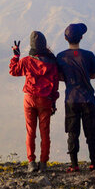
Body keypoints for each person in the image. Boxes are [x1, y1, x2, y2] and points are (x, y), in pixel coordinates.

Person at [9, 31, 60, 173]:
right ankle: (43, 163)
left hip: (29, 98)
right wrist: (53, 103)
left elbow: (13, 71)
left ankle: (31, 162)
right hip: (45, 101)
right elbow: (55, 86)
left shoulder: (26, 61)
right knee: (45, 132)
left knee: (30, 131)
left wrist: (16, 56)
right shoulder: (52, 63)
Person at [56, 23, 95, 172]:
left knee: (72, 132)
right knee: (91, 132)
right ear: (81, 37)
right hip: (88, 99)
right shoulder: (89, 55)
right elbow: (93, 75)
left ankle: (74, 164)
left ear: (65, 38)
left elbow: (59, 76)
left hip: (71, 99)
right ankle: (93, 163)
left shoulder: (61, 56)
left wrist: (70, 78)